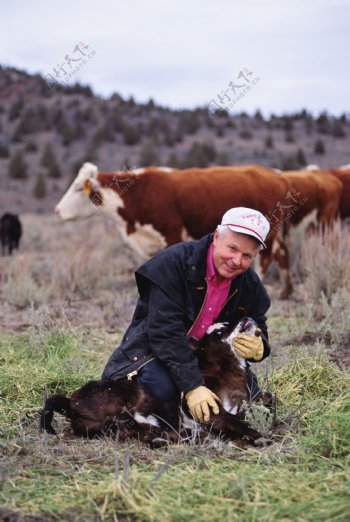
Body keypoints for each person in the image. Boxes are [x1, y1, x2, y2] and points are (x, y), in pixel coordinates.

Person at [102, 207, 272, 425]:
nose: (236, 261)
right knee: (164, 389)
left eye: (247, 255)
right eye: (232, 248)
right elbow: (165, 333)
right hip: (154, 352)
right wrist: (193, 386)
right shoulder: (172, 264)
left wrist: (261, 348)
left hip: (208, 358)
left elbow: (260, 324)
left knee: (252, 402)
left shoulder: (249, 283)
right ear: (217, 236)